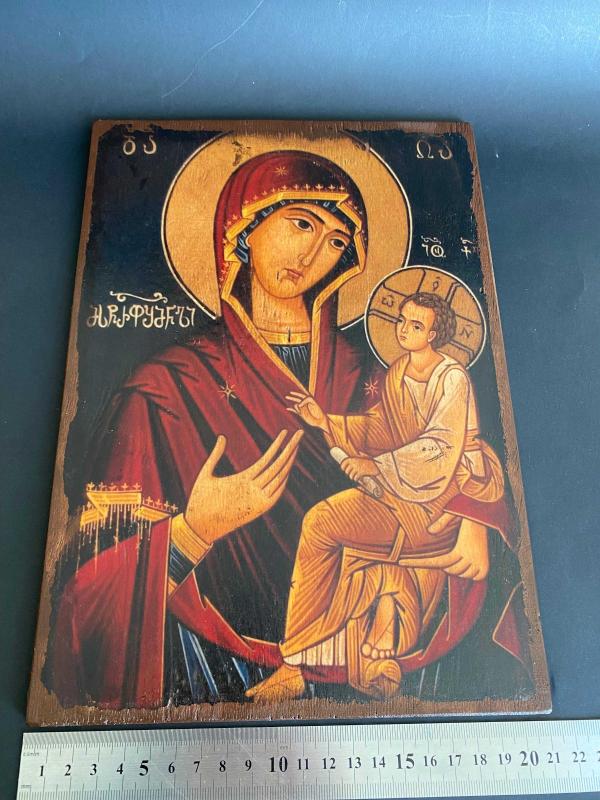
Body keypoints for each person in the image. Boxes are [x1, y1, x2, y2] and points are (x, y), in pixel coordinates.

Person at [45, 151, 526, 710]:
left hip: (360, 647)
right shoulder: (165, 387)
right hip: (206, 659)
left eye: (336, 241)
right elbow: (84, 589)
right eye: (301, 223)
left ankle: (360, 646)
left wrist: (472, 517)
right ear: (243, 229)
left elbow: (451, 442)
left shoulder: (371, 372)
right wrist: (195, 530)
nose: (313, 252)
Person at [246, 292, 506, 701]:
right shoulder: (398, 372)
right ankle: (312, 658)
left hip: (437, 503)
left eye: (416, 325)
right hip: (398, 491)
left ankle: (296, 660)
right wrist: (325, 420)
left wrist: (377, 466)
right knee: (323, 525)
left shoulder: (451, 378)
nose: (404, 330)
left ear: (434, 334)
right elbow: (381, 428)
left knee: (322, 524)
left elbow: (441, 446)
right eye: (402, 321)